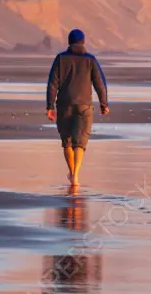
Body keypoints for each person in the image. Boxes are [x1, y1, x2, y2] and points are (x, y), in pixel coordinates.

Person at [46, 29, 109, 187]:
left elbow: (52, 83)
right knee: (80, 142)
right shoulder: (90, 60)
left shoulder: (60, 59)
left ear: (69, 41)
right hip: (84, 106)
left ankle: (72, 172)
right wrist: (104, 104)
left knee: (67, 142)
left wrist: (50, 105)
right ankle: (75, 175)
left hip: (64, 104)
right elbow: (100, 83)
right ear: (83, 42)